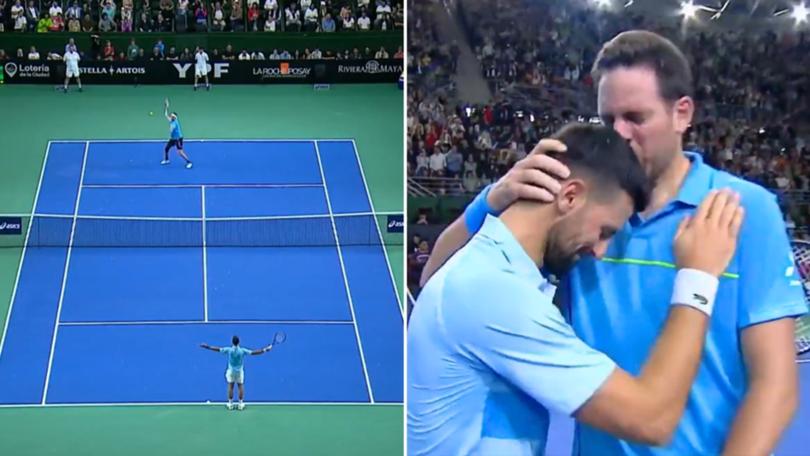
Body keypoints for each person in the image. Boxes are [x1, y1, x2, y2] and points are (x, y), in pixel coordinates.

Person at [420, 30, 807, 455]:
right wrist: (492, 199)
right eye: (608, 121)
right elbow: (441, 281)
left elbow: (774, 384)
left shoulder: (743, 210)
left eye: (635, 118)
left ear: (682, 114)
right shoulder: (578, 224)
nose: (620, 134)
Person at [409, 123, 744, 455]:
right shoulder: (495, 292)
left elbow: (431, 276)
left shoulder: (485, 267)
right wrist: (698, 276)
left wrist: (492, 199)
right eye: (604, 231)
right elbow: (651, 420)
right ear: (570, 196)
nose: (599, 251)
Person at [200, 335, 273, 410]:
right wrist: (265, 349)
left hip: (231, 372)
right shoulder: (242, 351)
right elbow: (254, 352)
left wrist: (207, 347)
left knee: (230, 386)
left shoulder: (229, 350)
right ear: (239, 342)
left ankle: (230, 404)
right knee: (240, 386)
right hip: (239, 372)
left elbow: (218, 349)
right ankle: (240, 404)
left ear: (232, 342)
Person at [162, 98, 193, 169]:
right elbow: (165, 114)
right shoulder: (171, 120)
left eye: (173, 116)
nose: (172, 117)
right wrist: (166, 106)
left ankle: (189, 162)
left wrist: (170, 131)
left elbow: (172, 129)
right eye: (171, 116)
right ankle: (166, 160)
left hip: (178, 139)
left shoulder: (174, 123)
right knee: (166, 148)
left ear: (175, 117)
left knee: (180, 152)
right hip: (173, 138)